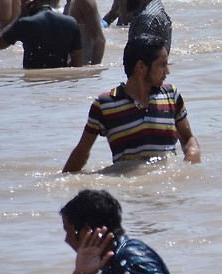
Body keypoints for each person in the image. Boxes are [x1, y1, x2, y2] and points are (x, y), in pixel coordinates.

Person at [62, 34, 200, 172]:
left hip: (168, 189)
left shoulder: (171, 95)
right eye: (162, 65)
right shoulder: (105, 105)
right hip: (128, 191)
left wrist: (190, 161)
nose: (167, 71)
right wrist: (63, 182)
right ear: (141, 67)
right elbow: (82, 153)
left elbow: (188, 140)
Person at [55, 189, 177, 274]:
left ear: (86, 231)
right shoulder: (112, 265)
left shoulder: (132, 260)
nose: (66, 240)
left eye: (68, 231)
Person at [0, 0, 83, 68]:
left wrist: (20, 16)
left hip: (33, 81)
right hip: (61, 81)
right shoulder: (71, 23)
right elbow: (77, 63)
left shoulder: (25, 23)